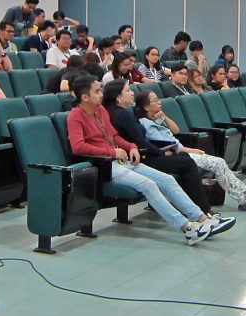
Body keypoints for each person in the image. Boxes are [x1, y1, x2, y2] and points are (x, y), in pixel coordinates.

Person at [67, 75, 231, 245]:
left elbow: (113, 135)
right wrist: (112, 152)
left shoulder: (101, 111)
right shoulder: (75, 117)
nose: (101, 94)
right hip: (105, 165)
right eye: (96, 91)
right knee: (149, 185)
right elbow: (78, 147)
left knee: (166, 180)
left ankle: (202, 218)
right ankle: (187, 229)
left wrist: (130, 146)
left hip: (121, 160)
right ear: (84, 97)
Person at [103, 80, 224, 219]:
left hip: (142, 154)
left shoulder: (119, 112)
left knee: (184, 159)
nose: (132, 93)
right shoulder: (122, 114)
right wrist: (161, 152)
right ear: (118, 97)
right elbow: (140, 142)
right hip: (142, 158)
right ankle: (203, 209)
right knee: (187, 163)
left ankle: (191, 207)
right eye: (128, 91)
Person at [136, 90, 246, 211]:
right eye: (155, 100)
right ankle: (245, 197)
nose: (159, 102)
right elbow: (168, 145)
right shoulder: (145, 123)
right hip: (178, 153)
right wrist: (191, 149)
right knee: (218, 162)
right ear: (147, 106)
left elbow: (176, 131)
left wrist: (164, 117)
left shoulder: (156, 119)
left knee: (218, 162)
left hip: (182, 151)